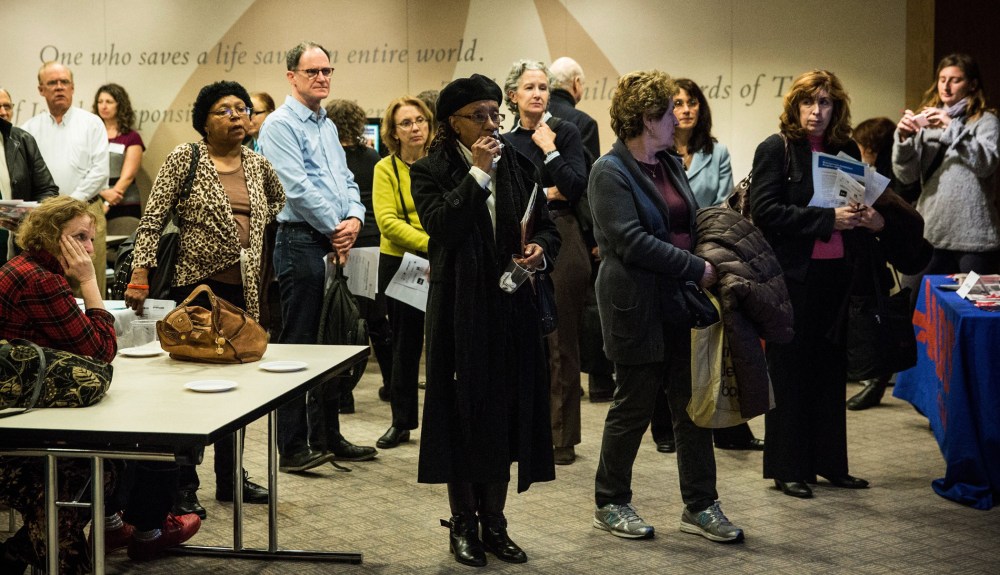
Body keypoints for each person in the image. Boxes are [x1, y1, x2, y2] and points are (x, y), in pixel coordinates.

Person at [0, 196, 200, 572]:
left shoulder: (26, 268)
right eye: (80, 238)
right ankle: (144, 528)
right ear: (51, 237)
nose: (90, 249)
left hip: (29, 410)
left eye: (91, 239)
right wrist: (91, 282)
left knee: (114, 459)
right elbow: (99, 351)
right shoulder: (40, 279)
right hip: (22, 430)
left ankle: (115, 529)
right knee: (118, 459)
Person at [588, 70, 743, 544]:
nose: (677, 118)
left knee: (690, 408)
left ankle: (700, 505)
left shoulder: (668, 162)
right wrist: (695, 268)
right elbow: (631, 242)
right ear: (642, 119)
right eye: (666, 112)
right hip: (634, 303)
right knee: (633, 406)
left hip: (678, 300)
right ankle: (610, 501)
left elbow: (686, 223)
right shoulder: (608, 172)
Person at [410, 74, 560, 566]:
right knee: (462, 414)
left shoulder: (518, 162)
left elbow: (547, 227)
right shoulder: (430, 169)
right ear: (451, 122)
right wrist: (476, 174)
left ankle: (495, 523)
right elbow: (442, 228)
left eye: (496, 113)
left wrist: (540, 251)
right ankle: (462, 524)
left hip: (511, 304)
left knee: (505, 411)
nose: (492, 123)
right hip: (459, 308)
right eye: (479, 115)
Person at [124, 81, 284, 517]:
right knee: (189, 394)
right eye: (224, 110)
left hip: (245, 293)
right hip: (195, 291)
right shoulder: (185, 158)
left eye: (242, 108)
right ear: (203, 122)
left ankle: (232, 478)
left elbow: (278, 206)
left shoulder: (259, 165)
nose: (236, 115)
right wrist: (140, 272)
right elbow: (153, 217)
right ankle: (184, 483)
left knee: (239, 389)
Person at [749, 69, 876, 499]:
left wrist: (860, 216)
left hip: (836, 275)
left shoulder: (845, 148)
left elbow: (852, 206)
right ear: (795, 106)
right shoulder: (776, 148)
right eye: (808, 102)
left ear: (835, 108)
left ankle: (830, 465)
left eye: (824, 103)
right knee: (789, 372)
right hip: (791, 278)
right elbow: (766, 211)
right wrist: (827, 219)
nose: (816, 111)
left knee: (830, 370)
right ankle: (788, 468)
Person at [257, 41, 377, 473]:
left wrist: (354, 220)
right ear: (291, 77)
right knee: (299, 346)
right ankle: (291, 447)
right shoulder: (279, 125)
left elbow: (345, 180)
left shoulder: (326, 124)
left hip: (331, 239)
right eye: (313, 72)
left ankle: (328, 436)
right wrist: (336, 228)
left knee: (333, 343)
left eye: (327, 70)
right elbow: (296, 188)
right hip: (301, 241)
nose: (322, 78)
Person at [650, 78, 762, 453]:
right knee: (670, 346)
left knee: (717, 341)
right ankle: (664, 428)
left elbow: (724, 204)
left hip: (708, 253)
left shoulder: (717, 151)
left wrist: (704, 252)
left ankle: (729, 428)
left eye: (691, 102)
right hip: (667, 254)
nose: (684, 109)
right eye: (677, 103)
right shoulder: (656, 154)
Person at [503, 59, 590, 466]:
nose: (538, 93)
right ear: (513, 96)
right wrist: (547, 190)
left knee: (561, 342)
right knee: (519, 340)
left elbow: (576, 187)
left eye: (543, 87)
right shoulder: (503, 141)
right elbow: (511, 198)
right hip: (518, 239)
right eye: (529, 87)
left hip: (564, 236)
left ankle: (562, 437)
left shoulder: (566, 132)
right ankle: (523, 429)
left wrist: (550, 150)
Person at [893, 53, 1000, 289]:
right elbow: (906, 175)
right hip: (931, 231)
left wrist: (951, 126)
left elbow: (985, 165)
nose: (947, 86)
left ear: (972, 84)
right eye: (942, 79)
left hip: (974, 237)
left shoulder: (985, 121)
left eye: (955, 80)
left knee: (975, 309)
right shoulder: (926, 121)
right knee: (912, 306)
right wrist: (902, 139)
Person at [548, 57, 615, 403]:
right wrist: (594, 237)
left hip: (536, 232)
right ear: (575, 84)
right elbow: (588, 185)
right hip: (573, 231)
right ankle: (601, 382)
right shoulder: (581, 123)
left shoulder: (535, 122)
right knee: (588, 310)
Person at [325, 98, 393, 414]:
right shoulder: (375, 158)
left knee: (346, 322)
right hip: (375, 244)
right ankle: (392, 385)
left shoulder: (331, 160)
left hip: (345, 244)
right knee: (377, 320)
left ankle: (344, 394)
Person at [372, 96, 432, 448]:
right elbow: (388, 222)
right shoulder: (386, 169)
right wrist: (433, 242)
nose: (415, 128)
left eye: (420, 120)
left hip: (441, 260)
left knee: (443, 345)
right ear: (393, 133)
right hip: (402, 263)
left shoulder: (442, 165)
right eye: (406, 123)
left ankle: (443, 420)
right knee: (405, 346)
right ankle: (402, 421)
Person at [21, 62, 110, 296]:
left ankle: (96, 332)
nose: (59, 87)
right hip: (46, 222)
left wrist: (66, 207)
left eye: (64, 82)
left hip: (87, 213)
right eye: (52, 83)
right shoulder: (28, 130)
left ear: (73, 87)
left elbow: (100, 173)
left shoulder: (91, 123)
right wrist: (52, 212)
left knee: (90, 286)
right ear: (41, 89)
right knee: (49, 290)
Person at [847, 116, 899, 411]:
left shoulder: (891, 178)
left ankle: (877, 376)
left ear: (871, 147)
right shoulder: (874, 172)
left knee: (878, 310)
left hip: (881, 251)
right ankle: (870, 373)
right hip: (866, 251)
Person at [1, 87, 59, 263]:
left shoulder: (23, 140)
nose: (3, 113)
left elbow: (47, 190)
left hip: (17, 247)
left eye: (7, 106)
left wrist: (27, 215)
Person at [93, 83, 145, 221]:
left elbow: (128, 177)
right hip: (95, 201)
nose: (103, 106)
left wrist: (108, 201)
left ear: (119, 105)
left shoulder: (131, 137)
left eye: (109, 102)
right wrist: (103, 194)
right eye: (100, 102)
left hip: (124, 201)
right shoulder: (91, 136)